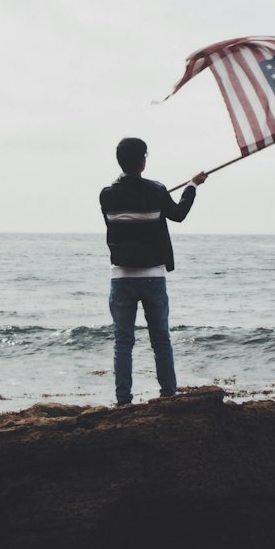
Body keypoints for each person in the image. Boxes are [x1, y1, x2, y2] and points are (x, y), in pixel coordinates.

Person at [99, 137, 207, 405]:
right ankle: (168, 395)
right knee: (160, 340)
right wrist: (192, 186)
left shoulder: (107, 195)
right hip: (153, 277)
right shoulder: (156, 190)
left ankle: (123, 400)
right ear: (143, 160)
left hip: (121, 277)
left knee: (123, 342)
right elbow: (179, 214)